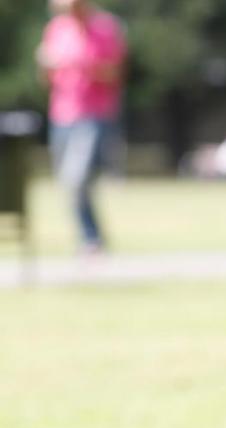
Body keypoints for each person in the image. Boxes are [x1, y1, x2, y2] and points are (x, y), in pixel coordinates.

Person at [36, 0, 127, 253]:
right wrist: (45, 64)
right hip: (62, 114)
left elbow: (115, 73)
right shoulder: (56, 28)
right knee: (68, 182)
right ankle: (90, 237)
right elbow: (46, 77)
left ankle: (91, 238)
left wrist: (79, 62)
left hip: (94, 114)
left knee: (76, 178)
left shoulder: (106, 27)